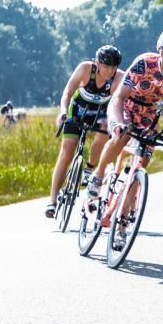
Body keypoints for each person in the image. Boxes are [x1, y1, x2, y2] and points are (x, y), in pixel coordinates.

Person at [85, 29, 163, 247]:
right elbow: (118, 97)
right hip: (125, 107)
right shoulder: (144, 64)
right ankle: (97, 176)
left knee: (142, 162)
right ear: (161, 52)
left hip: (149, 117)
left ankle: (122, 225)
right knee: (122, 136)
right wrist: (116, 124)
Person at [45, 45, 124, 218]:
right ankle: (52, 201)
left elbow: (119, 102)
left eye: (114, 67)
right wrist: (63, 111)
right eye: (107, 66)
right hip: (78, 110)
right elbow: (68, 92)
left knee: (105, 129)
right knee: (67, 152)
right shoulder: (85, 69)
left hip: (100, 114)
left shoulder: (119, 78)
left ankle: (89, 168)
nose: (111, 70)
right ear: (97, 63)